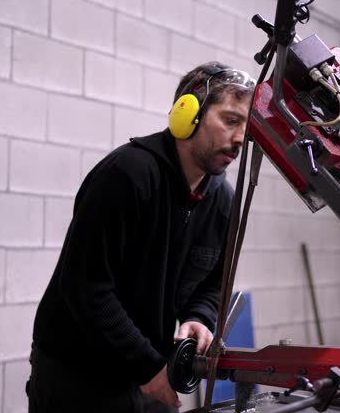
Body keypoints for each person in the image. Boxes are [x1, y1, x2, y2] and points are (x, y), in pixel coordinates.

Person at [27, 61, 256, 412]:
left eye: (247, 125)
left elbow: (211, 284)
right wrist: (149, 368)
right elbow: (86, 286)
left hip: (149, 366)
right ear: (188, 113)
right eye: (230, 120)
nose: (241, 138)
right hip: (79, 374)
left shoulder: (222, 201)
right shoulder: (129, 175)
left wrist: (198, 316)